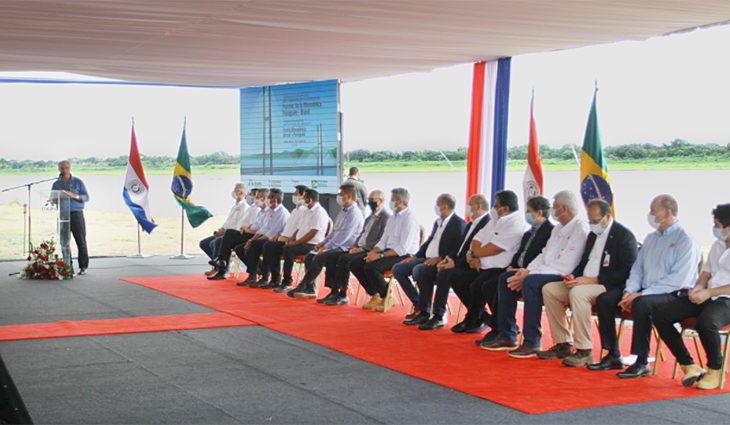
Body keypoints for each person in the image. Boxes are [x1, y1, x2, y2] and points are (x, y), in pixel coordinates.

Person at [483, 190, 589, 358]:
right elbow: (544, 254)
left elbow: (566, 265)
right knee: (506, 278)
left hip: (564, 275)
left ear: (564, 208)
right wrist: (526, 270)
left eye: (554, 207)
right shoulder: (558, 229)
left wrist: (529, 275)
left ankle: (532, 341)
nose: (552, 211)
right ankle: (507, 334)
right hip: (544, 271)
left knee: (530, 282)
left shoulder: (580, 229)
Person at [539, 199, 638, 367]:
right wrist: (573, 276)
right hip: (584, 281)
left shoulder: (623, 236)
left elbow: (626, 272)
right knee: (550, 289)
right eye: (590, 221)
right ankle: (563, 343)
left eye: (595, 221)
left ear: (607, 217)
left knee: (578, 294)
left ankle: (584, 350)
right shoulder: (593, 235)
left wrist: (593, 280)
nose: (592, 224)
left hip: (607, 285)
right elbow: (584, 261)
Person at [613, 195, 702, 378]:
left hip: (674, 293)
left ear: (668, 213)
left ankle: (641, 361)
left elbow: (678, 279)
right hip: (647, 292)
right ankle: (611, 354)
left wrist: (641, 294)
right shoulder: (651, 238)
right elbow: (638, 269)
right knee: (624, 300)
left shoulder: (685, 239)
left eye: (654, 211)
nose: (650, 215)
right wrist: (630, 291)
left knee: (642, 304)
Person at [653, 203, 730, 389]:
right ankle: (688, 365)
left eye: (718, 225)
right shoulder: (718, 245)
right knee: (661, 314)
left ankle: (715, 370)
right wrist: (698, 288)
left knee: (706, 322)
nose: (715, 229)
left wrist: (709, 292)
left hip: (725, 299)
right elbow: (707, 272)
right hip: (707, 294)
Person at [446, 190, 527, 333]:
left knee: (480, 285)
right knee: (456, 277)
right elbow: (476, 239)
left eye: (496, 205)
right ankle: (483, 318)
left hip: (499, 268)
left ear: (505, 208)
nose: (493, 208)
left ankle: (483, 321)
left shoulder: (515, 223)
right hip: (480, 266)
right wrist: (472, 255)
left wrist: (473, 254)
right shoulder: (495, 221)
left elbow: (495, 248)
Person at [407, 194, 490, 329]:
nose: (467, 207)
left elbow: (478, 251)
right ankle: (424, 311)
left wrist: (453, 263)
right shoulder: (470, 224)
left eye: (470, 205)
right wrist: (448, 259)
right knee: (426, 271)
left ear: (479, 206)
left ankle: (440, 315)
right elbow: (460, 248)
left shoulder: (486, 224)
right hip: (458, 261)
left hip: (473, 265)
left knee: (446, 274)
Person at [391, 193, 465, 325]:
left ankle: (428, 311)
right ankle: (419, 304)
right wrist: (415, 256)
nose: (435, 207)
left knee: (420, 270)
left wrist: (440, 258)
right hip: (426, 258)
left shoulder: (458, 224)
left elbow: (458, 248)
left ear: (445, 206)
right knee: (398, 269)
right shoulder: (438, 222)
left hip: (442, 261)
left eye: (438, 204)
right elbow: (429, 242)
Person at [351, 187, 420, 312]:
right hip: (389, 251)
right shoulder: (393, 217)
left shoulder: (409, 219)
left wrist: (380, 256)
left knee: (371, 267)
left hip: (404, 255)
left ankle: (386, 295)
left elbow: (402, 248)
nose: (391, 202)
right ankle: (375, 294)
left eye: (393, 199)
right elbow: (384, 239)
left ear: (400, 201)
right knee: (356, 263)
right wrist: (374, 251)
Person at [293, 185, 365, 303]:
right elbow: (334, 232)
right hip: (336, 245)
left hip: (346, 247)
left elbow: (344, 237)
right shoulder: (343, 211)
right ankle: (322, 290)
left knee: (323, 257)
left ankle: (306, 285)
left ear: (349, 197)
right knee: (310, 256)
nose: (339, 197)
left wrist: (327, 247)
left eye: (341, 195)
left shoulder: (354, 214)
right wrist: (323, 243)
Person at [327, 190, 390, 303]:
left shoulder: (386, 217)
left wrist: (360, 249)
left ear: (381, 201)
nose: (370, 202)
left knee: (348, 261)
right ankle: (334, 291)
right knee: (333, 257)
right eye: (369, 200)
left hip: (371, 250)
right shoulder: (370, 217)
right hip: (359, 247)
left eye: (373, 200)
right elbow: (361, 234)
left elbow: (381, 239)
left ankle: (343, 294)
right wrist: (354, 246)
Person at [243, 185, 308, 288]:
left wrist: (283, 238)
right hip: (279, 238)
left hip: (285, 239)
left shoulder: (285, 212)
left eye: (296, 194)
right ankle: (256, 275)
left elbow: (275, 232)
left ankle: (270, 278)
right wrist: (252, 239)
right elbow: (263, 229)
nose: (293, 196)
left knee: (267, 245)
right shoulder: (294, 210)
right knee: (256, 245)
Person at [207, 188, 266, 280]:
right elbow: (253, 225)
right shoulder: (254, 209)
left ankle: (222, 265)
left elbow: (261, 230)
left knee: (227, 238)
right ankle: (221, 263)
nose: (251, 197)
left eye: (256, 196)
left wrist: (247, 230)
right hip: (245, 232)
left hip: (255, 236)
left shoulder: (256, 209)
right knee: (227, 236)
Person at [282, 189, 331, 297]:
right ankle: (286, 281)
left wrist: (295, 243)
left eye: (304, 197)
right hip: (301, 242)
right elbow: (299, 227)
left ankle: (288, 282)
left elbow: (312, 233)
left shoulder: (319, 212)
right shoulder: (306, 210)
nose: (302, 200)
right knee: (285, 248)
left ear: (310, 199)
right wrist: (292, 238)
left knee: (289, 250)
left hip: (312, 244)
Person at [200, 183, 249, 276]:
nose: (234, 192)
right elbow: (228, 222)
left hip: (232, 235)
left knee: (215, 242)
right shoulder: (235, 206)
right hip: (225, 232)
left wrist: (224, 232)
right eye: (234, 189)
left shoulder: (245, 208)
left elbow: (239, 226)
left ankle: (221, 269)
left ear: (242, 193)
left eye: (237, 190)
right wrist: (220, 229)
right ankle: (221, 263)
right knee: (204, 243)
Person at [51, 160, 90, 274]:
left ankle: (83, 267)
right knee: (64, 242)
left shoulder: (78, 182)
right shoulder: (56, 184)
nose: (64, 170)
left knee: (81, 241)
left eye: (67, 168)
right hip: (63, 215)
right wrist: (53, 199)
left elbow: (86, 197)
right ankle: (68, 266)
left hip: (76, 214)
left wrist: (74, 195)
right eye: (62, 168)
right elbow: (52, 199)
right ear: (59, 169)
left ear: (70, 168)